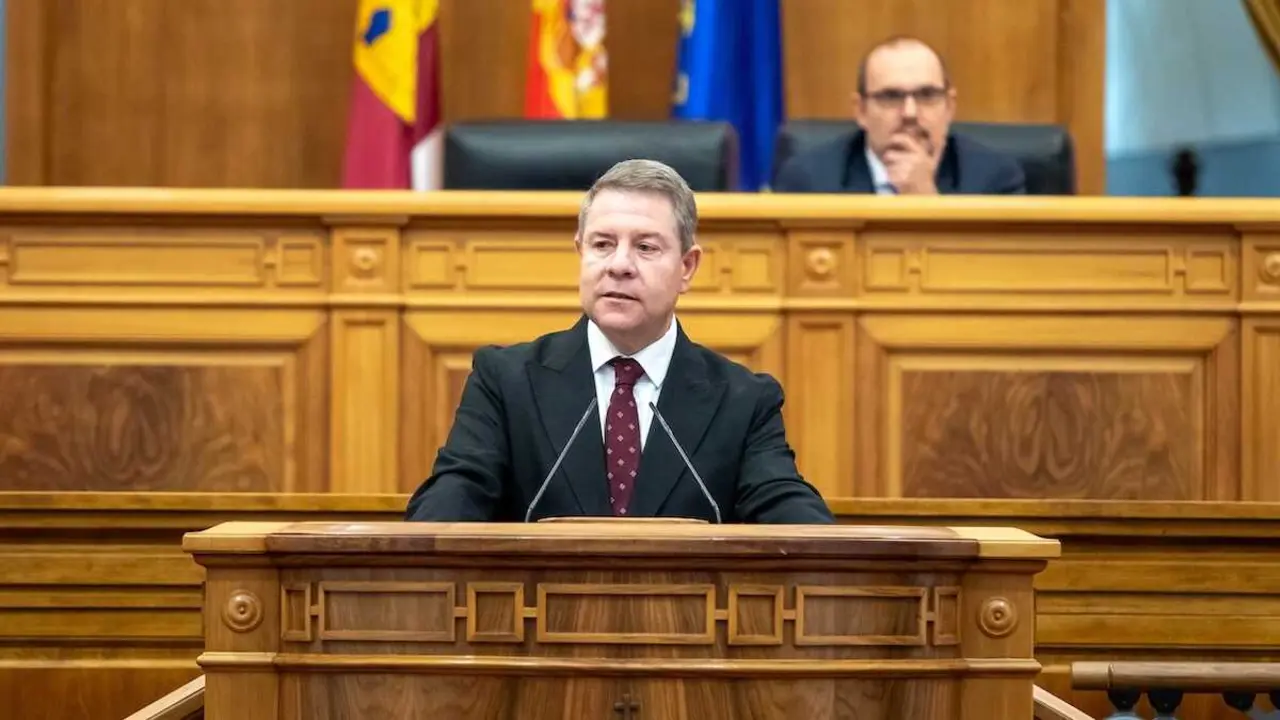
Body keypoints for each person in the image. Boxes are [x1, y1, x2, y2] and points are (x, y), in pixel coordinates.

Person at [406, 159, 834, 524]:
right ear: (580, 252)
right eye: (603, 245)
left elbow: (781, 503)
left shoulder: (743, 401)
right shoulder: (506, 380)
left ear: (687, 267)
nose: (619, 266)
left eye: (645, 247)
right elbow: (459, 489)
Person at [773, 36, 1026, 195]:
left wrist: (926, 204)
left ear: (949, 107)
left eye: (926, 95)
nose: (910, 113)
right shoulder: (808, 181)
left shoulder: (994, 179)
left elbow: (999, 275)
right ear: (860, 111)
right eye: (891, 97)